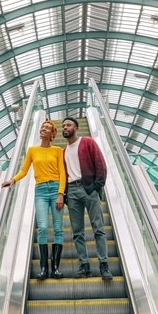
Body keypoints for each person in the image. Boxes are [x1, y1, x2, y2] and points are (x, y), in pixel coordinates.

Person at [2, 120, 66, 280]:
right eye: (42, 127)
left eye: (47, 128)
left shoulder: (58, 150)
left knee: (58, 229)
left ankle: (55, 268)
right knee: (43, 227)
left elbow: (63, 173)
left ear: (52, 134)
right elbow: (24, 170)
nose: (43, 129)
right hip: (41, 191)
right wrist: (13, 180)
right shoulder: (32, 150)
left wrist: (60, 194)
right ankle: (44, 268)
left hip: (56, 188)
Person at [61, 117, 113, 280]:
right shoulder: (63, 151)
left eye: (68, 125)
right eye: (63, 126)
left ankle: (104, 264)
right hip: (72, 191)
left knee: (98, 228)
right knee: (77, 232)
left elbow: (100, 164)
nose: (65, 128)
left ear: (76, 128)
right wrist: (65, 194)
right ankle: (84, 265)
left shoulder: (88, 142)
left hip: (88, 189)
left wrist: (96, 186)